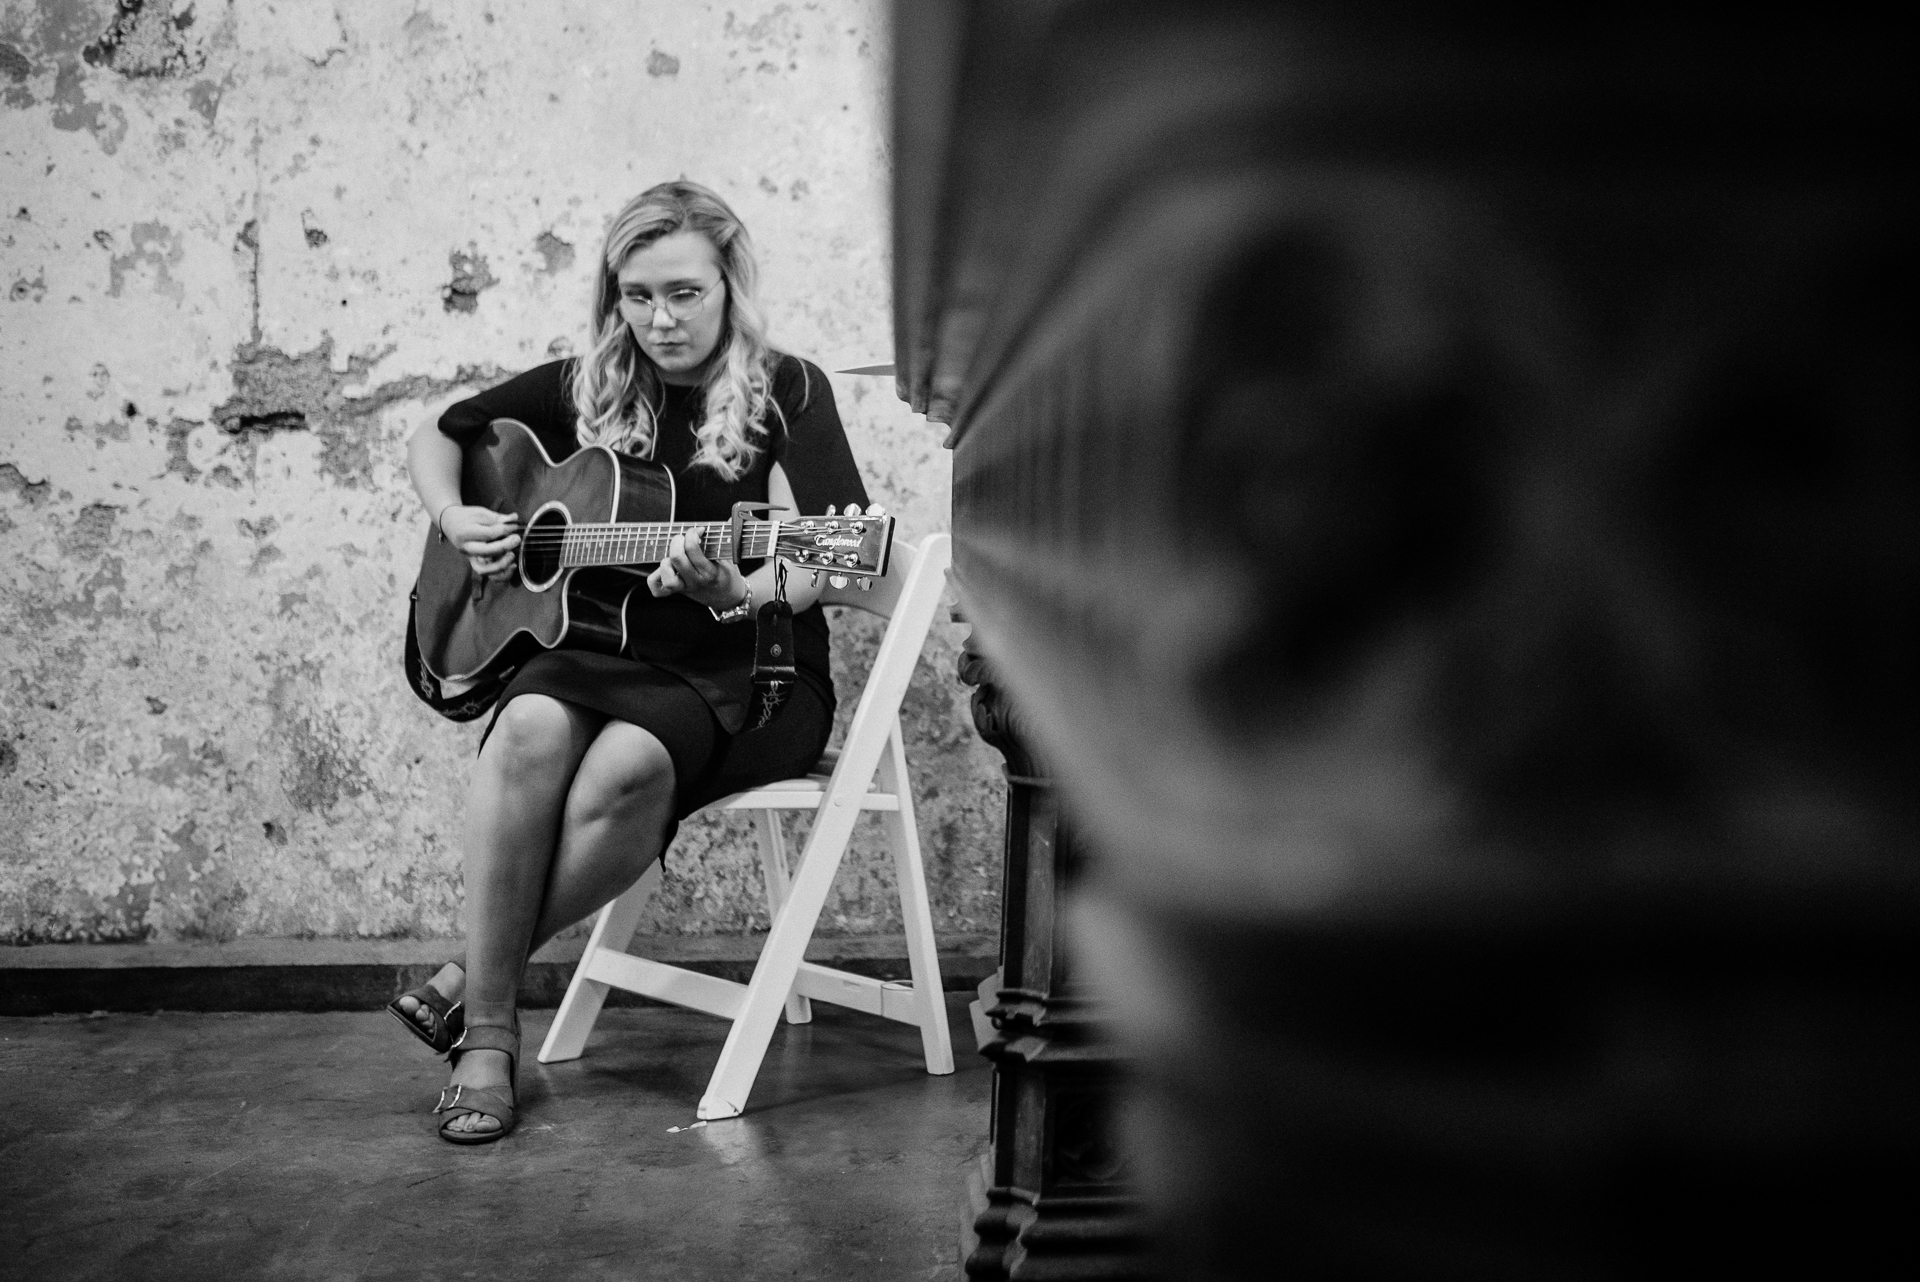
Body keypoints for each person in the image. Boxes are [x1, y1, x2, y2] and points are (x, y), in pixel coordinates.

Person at [395, 180, 870, 1143]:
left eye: (685, 293)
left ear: (730, 284)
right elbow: (437, 432)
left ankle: (473, 995)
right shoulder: (589, 385)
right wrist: (454, 515)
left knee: (626, 766)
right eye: (638, 295)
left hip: (755, 671)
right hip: (610, 652)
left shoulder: (790, 389)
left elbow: (836, 560)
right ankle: (490, 1034)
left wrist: (734, 592)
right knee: (526, 725)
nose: (660, 319)